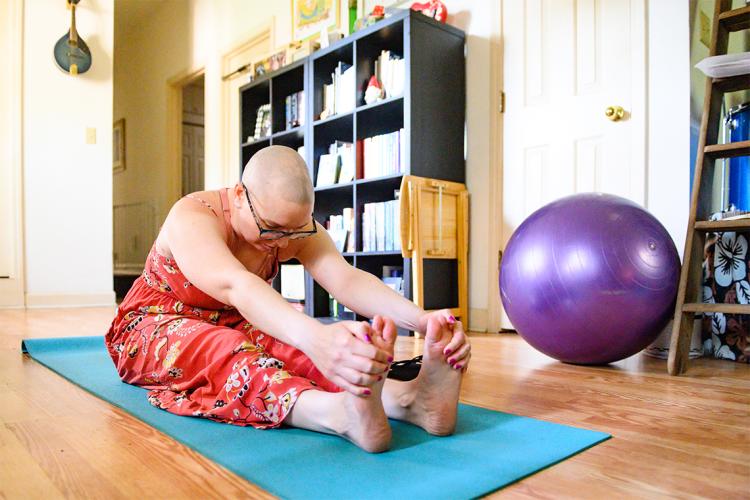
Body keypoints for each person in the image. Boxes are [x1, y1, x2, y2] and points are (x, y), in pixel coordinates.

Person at [105, 145, 471, 453]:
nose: (281, 242)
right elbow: (237, 286)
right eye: (270, 229)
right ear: (238, 195)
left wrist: (422, 320)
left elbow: (346, 279)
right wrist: (318, 336)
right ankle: (337, 414)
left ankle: (409, 402)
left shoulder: (294, 228)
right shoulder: (193, 216)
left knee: (293, 351)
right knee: (228, 349)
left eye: (295, 231)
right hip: (154, 323)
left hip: (235, 317)